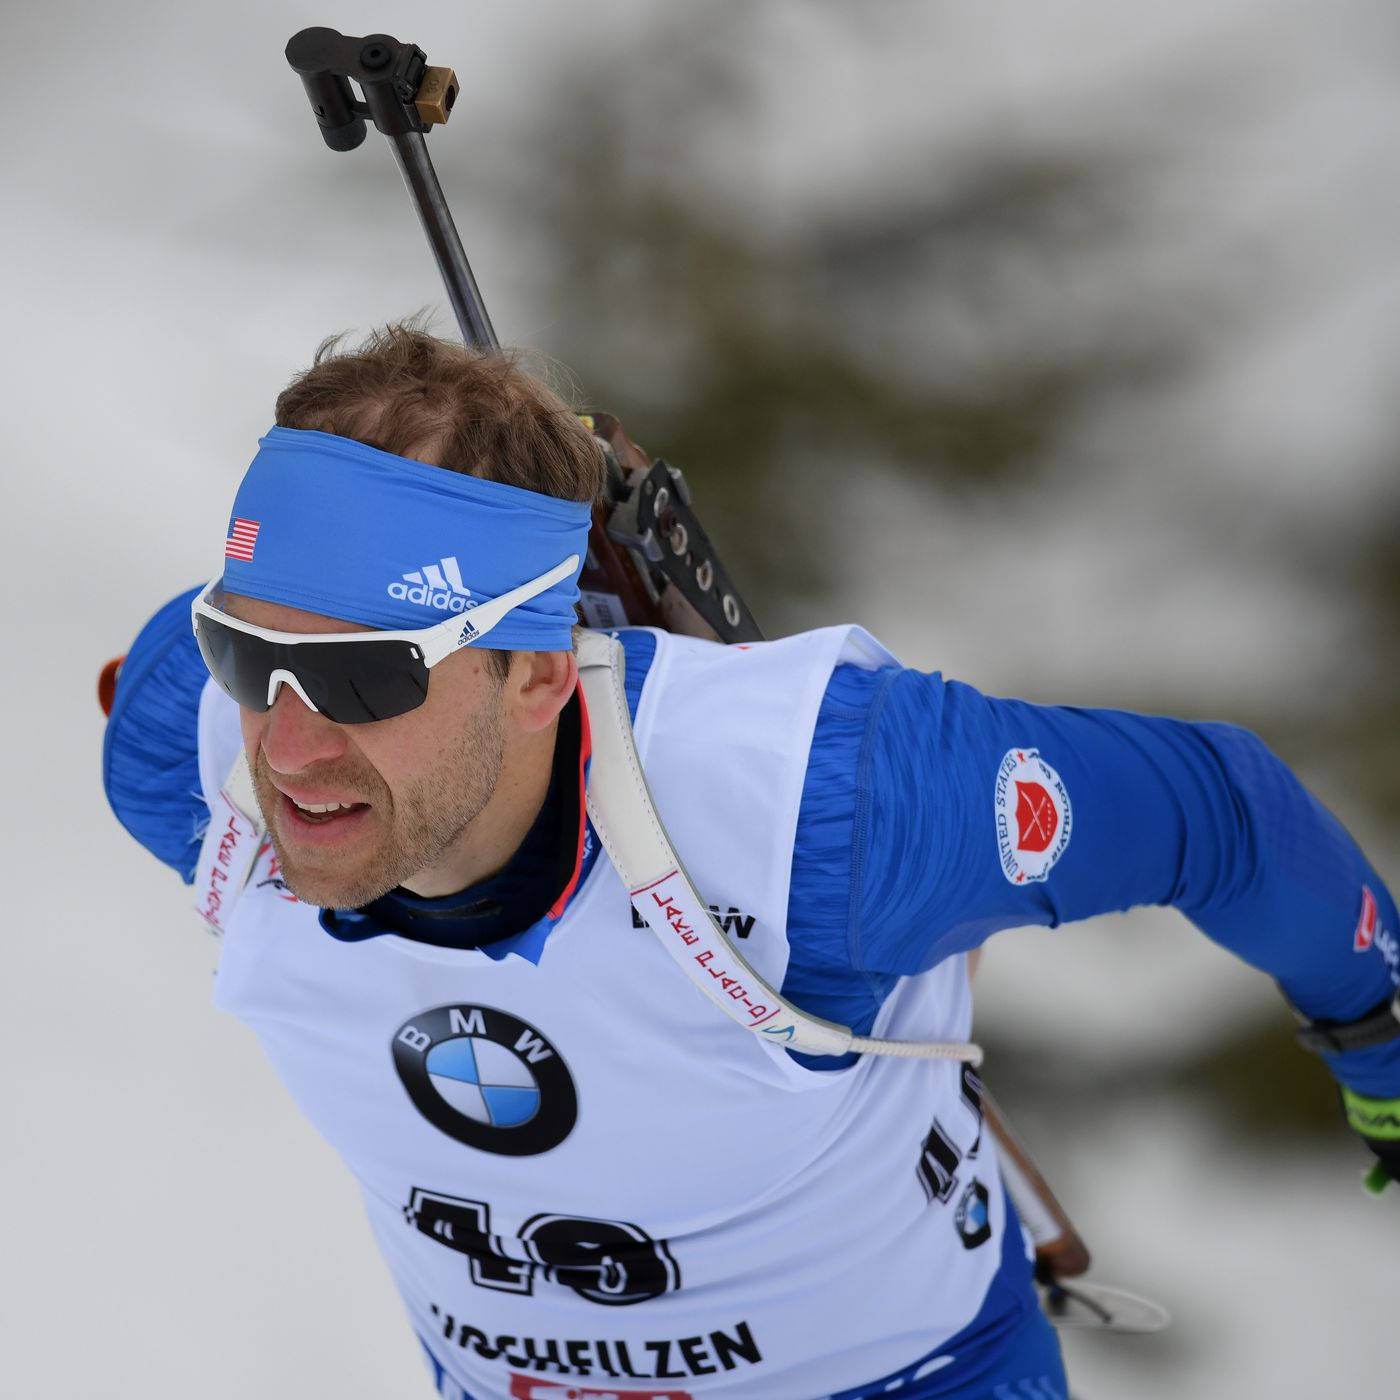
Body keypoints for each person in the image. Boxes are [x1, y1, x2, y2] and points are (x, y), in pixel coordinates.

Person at [102, 325, 1400, 1400]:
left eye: (364, 676)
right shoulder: (190, 746)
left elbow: (1219, 811)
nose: (287, 743)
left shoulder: (833, 805)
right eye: (244, 654)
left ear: (543, 670)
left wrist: (1380, 1042)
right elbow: (172, 692)